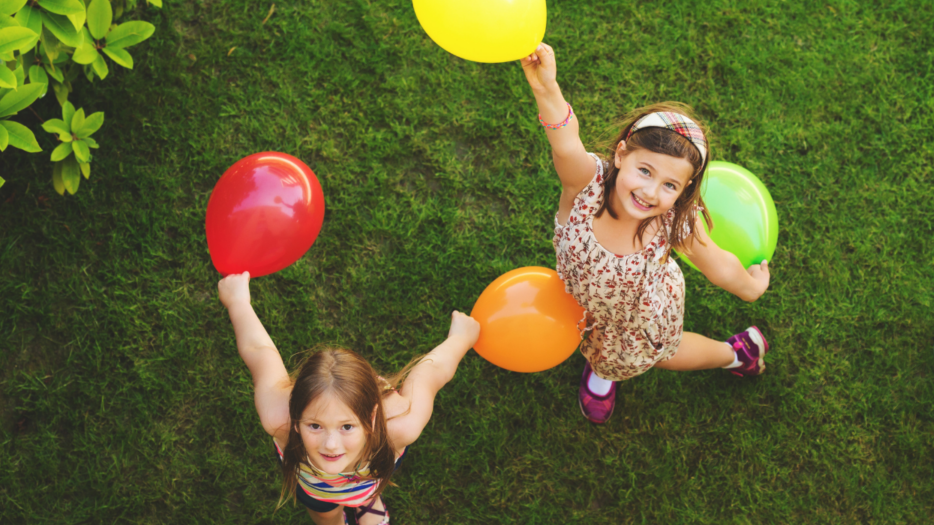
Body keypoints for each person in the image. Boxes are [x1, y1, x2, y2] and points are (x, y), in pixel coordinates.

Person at [520, 43, 773, 424]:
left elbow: (718, 265)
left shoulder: (673, 223)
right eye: (645, 171)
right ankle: (603, 366)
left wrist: (750, 288)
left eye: (671, 186)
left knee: (661, 354)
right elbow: (565, 138)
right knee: (599, 340)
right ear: (621, 155)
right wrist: (545, 89)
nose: (652, 192)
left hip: (636, 318)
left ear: (684, 192)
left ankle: (737, 353)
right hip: (581, 300)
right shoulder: (584, 185)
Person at [217, 271, 479, 524]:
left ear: (373, 416)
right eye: (315, 425)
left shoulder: (399, 426)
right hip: (312, 486)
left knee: (370, 486)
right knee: (323, 513)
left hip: (372, 473)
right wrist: (238, 302)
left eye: (347, 426)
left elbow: (429, 374)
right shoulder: (278, 418)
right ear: (296, 419)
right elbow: (258, 352)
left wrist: (461, 338)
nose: (331, 445)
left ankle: (367, 500)